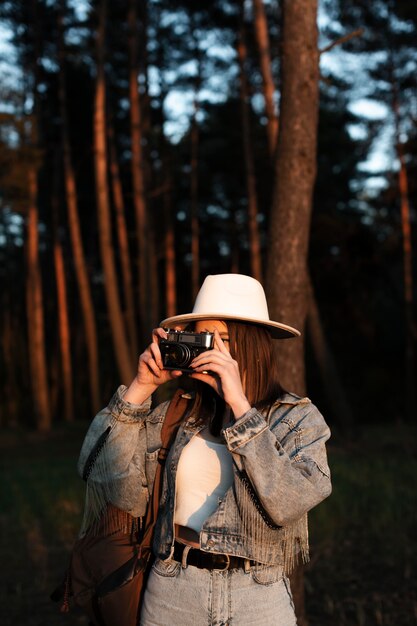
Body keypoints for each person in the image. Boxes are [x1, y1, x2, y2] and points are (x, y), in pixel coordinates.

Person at [78, 273, 332, 626]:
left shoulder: (296, 418)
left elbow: (289, 502)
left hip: (258, 598)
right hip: (173, 589)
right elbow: (104, 480)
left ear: (253, 344)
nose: (207, 350)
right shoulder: (176, 415)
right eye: (200, 338)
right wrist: (140, 387)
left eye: (221, 340)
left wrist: (241, 408)